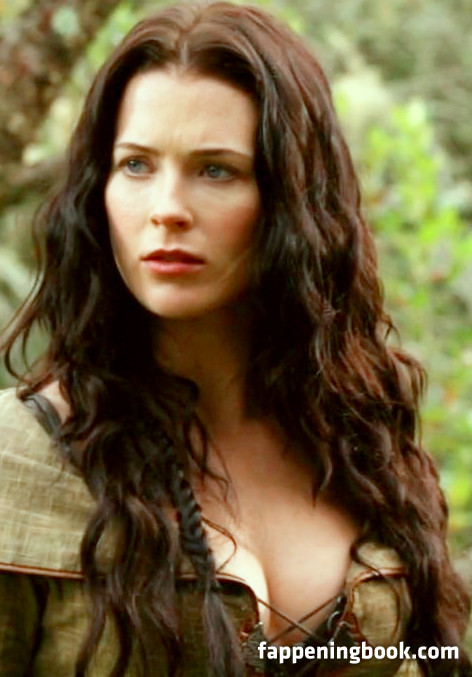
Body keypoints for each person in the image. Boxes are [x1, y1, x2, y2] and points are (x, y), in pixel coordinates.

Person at [0, 2, 470, 675]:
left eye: (216, 169)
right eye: (136, 165)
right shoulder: (18, 460)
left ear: (293, 200)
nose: (166, 209)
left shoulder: (364, 440)